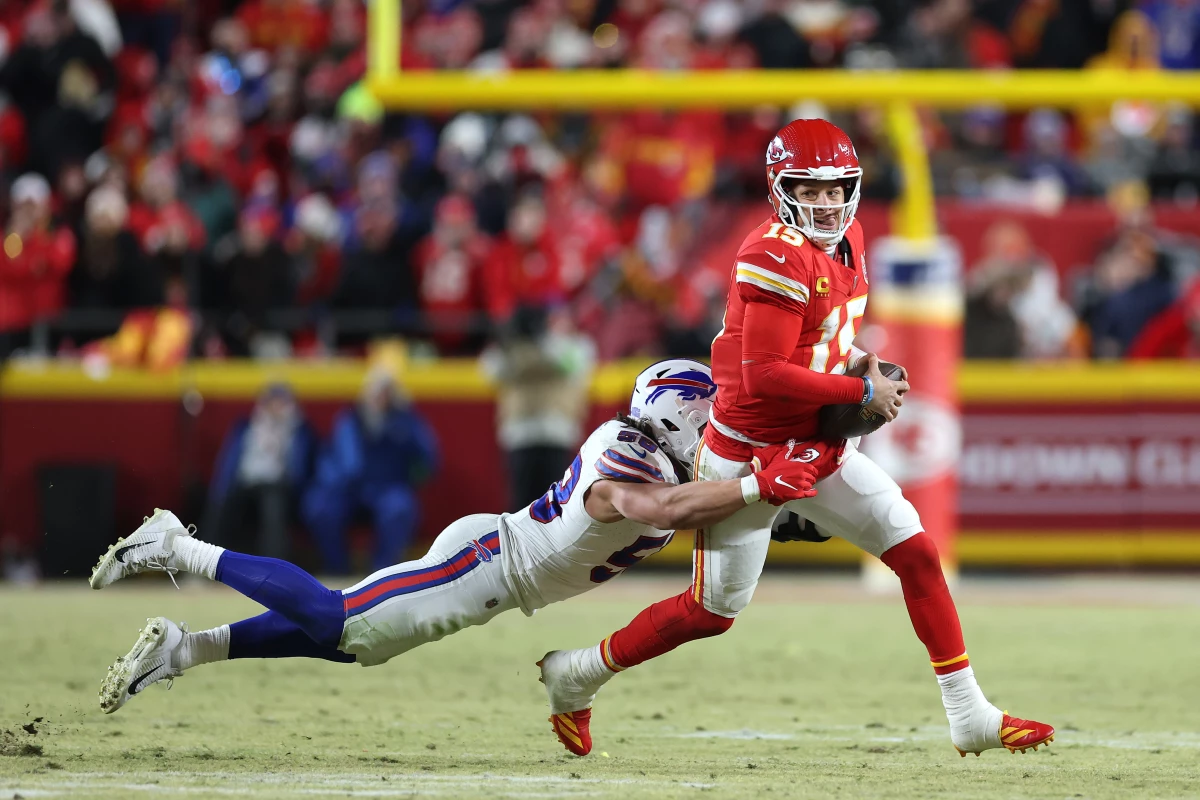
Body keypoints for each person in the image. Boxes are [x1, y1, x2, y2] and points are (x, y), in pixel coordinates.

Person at [538, 119, 1055, 758]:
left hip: (814, 442)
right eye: (810, 189)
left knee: (915, 551)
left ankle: (969, 713)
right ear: (781, 188)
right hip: (747, 451)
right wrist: (861, 394)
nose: (828, 202)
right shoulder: (771, 255)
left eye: (838, 189)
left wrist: (862, 361)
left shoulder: (850, 240)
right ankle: (579, 672)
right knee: (712, 611)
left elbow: (824, 339)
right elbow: (766, 375)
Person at [86, 360, 823, 720]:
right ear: (681, 413)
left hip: (501, 576)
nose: (716, 428)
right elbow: (654, 505)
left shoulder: (664, 460)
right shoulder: (630, 455)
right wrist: (760, 486)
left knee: (353, 641)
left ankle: (186, 648)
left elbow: (696, 505)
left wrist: (787, 510)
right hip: (488, 562)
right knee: (344, 622)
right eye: (709, 415)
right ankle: (177, 547)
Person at [300, 371, 438, 574]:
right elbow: (336, 458)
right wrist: (333, 482)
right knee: (319, 507)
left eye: (384, 393)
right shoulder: (349, 418)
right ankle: (337, 569)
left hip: (387, 486)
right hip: (347, 488)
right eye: (374, 392)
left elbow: (428, 460)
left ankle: (383, 572)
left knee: (399, 508)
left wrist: (406, 434)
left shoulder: (406, 420)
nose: (378, 398)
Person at [204, 383, 316, 560]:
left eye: (281, 402)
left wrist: (287, 429)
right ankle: (206, 562)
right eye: (272, 401)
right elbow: (229, 462)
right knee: (220, 503)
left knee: (273, 505)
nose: (276, 407)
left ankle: (275, 564)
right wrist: (221, 488)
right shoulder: (246, 426)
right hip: (245, 482)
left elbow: (299, 468)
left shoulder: (299, 429)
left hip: (278, 485)